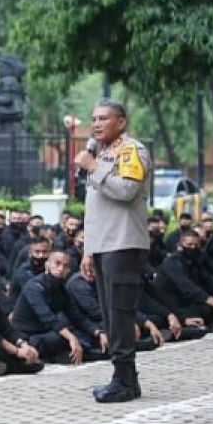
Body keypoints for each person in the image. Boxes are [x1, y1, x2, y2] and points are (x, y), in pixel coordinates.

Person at [73, 99, 151, 404]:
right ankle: (127, 379)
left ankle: (123, 379)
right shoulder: (102, 153)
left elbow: (127, 191)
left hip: (124, 244)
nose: (96, 124)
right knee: (110, 315)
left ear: (121, 122)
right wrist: (88, 251)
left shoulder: (131, 151)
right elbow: (95, 212)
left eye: (104, 118)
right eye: (93, 119)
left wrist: (94, 168)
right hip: (104, 246)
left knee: (119, 314)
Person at [11, 251, 105, 365]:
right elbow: (48, 318)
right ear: (48, 265)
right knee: (61, 338)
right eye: (57, 264)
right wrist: (71, 338)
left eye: (65, 266)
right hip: (28, 336)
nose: (61, 269)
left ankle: (66, 354)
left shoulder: (61, 288)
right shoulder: (34, 287)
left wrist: (98, 333)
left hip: (48, 332)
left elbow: (77, 317)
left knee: (85, 335)